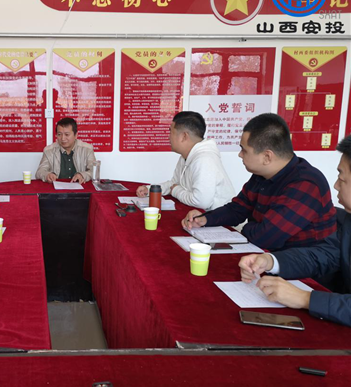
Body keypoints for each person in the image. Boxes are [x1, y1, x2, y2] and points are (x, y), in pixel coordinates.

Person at [238, 135, 351, 327]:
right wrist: (270, 261)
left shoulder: (306, 181)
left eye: (342, 178)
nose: (336, 185)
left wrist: (305, 298)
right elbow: (322, 255)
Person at [182, 113, 336, 251]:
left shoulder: (306, 184)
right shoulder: (261, 175)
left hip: (300, 266)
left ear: (267, 157)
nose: (240, 155)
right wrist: (205, 219)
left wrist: (246, 228)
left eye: (244, 150)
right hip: (265, 256)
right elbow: (237, 209)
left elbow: (265, 237)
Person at [136, 111, 234, 210]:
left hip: (220, 218)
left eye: (171, 132)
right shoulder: (185, 156)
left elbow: (201, 202)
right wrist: (151, 190)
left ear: (184, 136)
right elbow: (174, 183)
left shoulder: (204, 159)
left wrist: (176, 191)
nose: (169, 137)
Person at [35, 117, 97, 184]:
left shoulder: (87, 149)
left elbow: (94, 171)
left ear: (76, 135)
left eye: (67, 134)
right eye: (59, 134)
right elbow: (40, 172)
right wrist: (47, 175)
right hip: (56, 189)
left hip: (80, 188)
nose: (63, 138)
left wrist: (82, 175)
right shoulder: (49, 150)